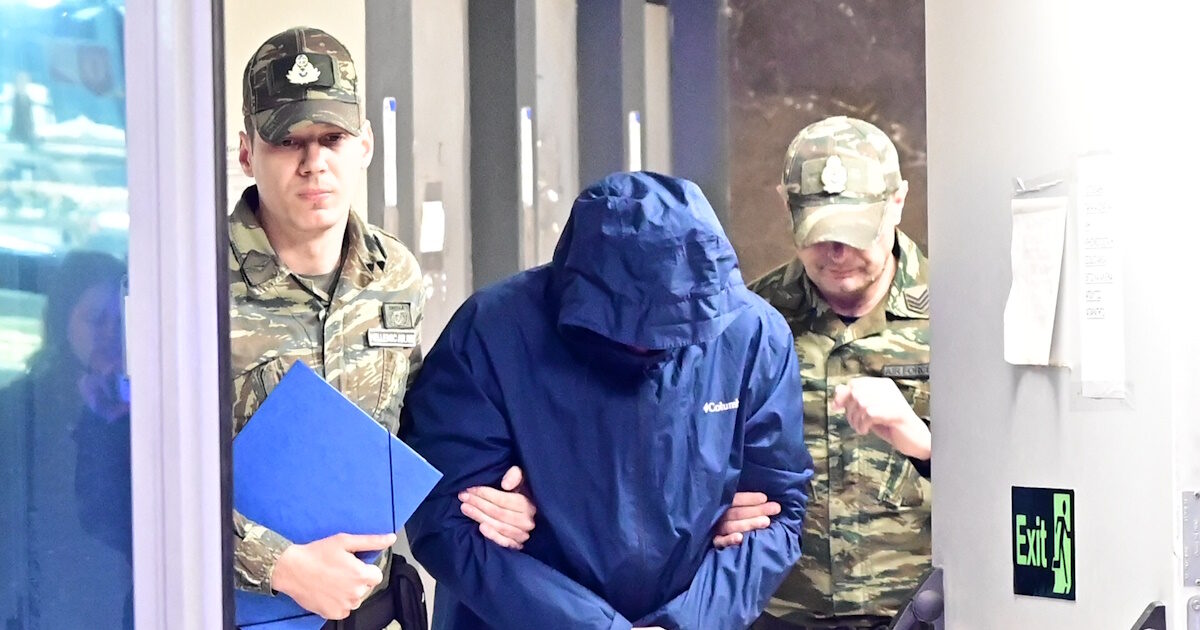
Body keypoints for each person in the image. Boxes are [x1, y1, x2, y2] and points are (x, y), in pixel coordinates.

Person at [402, 171, 815, 630]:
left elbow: (777, 510)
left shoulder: (752, 336)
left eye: (671, 332)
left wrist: (687, 624)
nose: (646, 346)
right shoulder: (493, 331)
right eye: (626, 331)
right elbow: (445, 518)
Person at [229, 26, 534, 628]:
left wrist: (502, 493)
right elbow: (136, 477)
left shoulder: (393, 274)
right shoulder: (193, 287)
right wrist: (278, 565)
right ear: (246, 153)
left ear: (365, 143)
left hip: (371, 608)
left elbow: (418, 426)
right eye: (288, 141)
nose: (314, 163)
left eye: (332, 138)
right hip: (240, 611)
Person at [734, 116, 933, 630]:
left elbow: (1010, 479)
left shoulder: (957, 313)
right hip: (781, 614)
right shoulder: (752, 320)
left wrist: (924, 443)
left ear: (897, 202)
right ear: (787, 206)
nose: (837, 253)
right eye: (819, 234)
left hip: (919, 612)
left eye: (855, 233)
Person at [0, 250, 132, 629]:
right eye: (95, 319)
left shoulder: (151, 411)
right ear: (62, 320)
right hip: (40, 597)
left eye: (119, 320)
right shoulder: (18, 409)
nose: (110, 333)